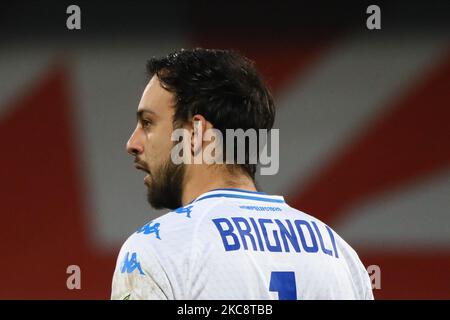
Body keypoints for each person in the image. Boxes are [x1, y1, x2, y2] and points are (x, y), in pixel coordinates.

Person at [111, 48, 374, 300]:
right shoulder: (342, 256)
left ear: (195, 131)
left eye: (148, 123)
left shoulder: (155, 249)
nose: (132, 143)